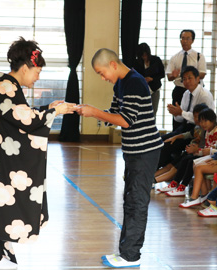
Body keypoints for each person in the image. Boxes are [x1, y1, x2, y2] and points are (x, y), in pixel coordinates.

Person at [0, 37, 76, 269]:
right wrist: (55, 111)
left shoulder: (6, 85)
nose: (38, 76)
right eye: (37, 71)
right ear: (25, 67)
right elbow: (26, 120)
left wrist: (49, 109)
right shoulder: (7, 86)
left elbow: (18, 116)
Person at [76, 48, 163, 268]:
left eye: (101, 72)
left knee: (137, 202)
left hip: (145, 151)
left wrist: (94, 112)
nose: (102, 77)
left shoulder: (134, 82)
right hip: (133, 151)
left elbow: (126, 120)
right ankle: (126, 252)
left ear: (113, 64)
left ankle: (130, 257)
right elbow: (114, 114)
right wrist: (80, 110)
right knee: (130, 201)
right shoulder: (121, 84)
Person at [157, 66, 214, 170]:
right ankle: (158, 170)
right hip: (186, 126)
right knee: (161, 140)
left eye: (190, 78)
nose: (187, 81)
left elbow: (204, 120)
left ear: (198, 79)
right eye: (184, 79)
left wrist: (181, 113)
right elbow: (181, 118)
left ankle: (153, 172)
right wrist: (176, 114)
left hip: (199, 131)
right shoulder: (186, 94)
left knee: (168, 144)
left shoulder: (204, 95)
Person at [160, 108, 217, 197]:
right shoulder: (206, 131)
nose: (202, 124)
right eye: (201, 121)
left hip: (212, 157)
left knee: (192, 162)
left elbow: (209, 150)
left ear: (213, 120)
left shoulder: (214, 131)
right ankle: (179, 185)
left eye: (205, 121)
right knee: (187, 159)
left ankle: (189, 190)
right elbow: (206, 149)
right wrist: (196, 151)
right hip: (208, 155)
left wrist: (198, 151)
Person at [154, 103, 208, 186]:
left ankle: (154, 181)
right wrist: (175, 137)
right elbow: (188, 134)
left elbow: (206, 146)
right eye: (194, 116)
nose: (195, 119)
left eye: (197, 116)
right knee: (170, 166)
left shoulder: (206, 130)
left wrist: (196, 149)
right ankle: (150, 178)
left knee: (174, 169)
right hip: (190, 151)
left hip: (196, 153)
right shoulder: (197, 127)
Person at [166, 29, 206, 131]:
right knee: (177, 115)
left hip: (194, 91)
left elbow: (202, 73)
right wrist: (175, 75)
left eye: (188, 38)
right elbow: (169, 77)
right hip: (179, 89)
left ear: (192, 40)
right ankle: (176, 137)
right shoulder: (175, 57)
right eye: (183, 38)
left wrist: (191, 75)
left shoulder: (198, 56)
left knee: (195, 116)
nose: (185, 41)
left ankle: (193, 137)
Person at [133, 42, 165, 116]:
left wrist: (152, 78)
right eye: (142, 55)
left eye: (146, 55)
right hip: (142, 89)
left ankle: (152, 126)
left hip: (154, 89)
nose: (144, 57)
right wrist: (142, 79)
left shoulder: (156, 60)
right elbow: (134, 76)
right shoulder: (137, 63)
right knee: (141, 111)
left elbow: (162, 74)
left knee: (153, 111)